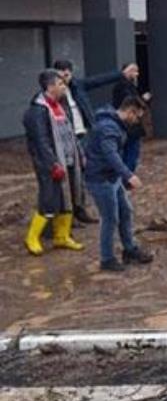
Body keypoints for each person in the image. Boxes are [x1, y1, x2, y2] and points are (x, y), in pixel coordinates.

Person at [84, 96, 153, 272]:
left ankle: (129, 249)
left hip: (111, 177)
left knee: (125, 211)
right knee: (110, 218)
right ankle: (107, 259)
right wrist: (128, 175)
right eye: (137, 117)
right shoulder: (109, 128)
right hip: (101, 179)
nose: (137, 121)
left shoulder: (113, 123)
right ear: (130, 111)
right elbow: (111, 155)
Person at [23, 70, 87, 257]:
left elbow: (71, 134)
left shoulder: (61, 106)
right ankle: (32, 237)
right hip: (50, 165)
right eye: (60, 84)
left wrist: (79, 154)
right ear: (50, 86)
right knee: (49, 200)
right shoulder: (37, 111)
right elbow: (41, 142)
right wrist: (52, 164)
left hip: (68, 160)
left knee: (69, 197)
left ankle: (62, 236)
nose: (64, 87)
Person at [53, 59, 125, 223]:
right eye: (61, 71)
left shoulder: (78, 86)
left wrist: (121, 74)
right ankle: (67, 214)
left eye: (68, 71)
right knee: (70, 176)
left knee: (85, 173)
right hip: (67, 139)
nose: (65, 74)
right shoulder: (54, 94)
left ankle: (80, 209)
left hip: (85, 135)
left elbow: (99, 80)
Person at [111, 63, 151, 174]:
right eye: (134, 71)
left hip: (131, 125)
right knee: (130, 153)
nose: (136, 74)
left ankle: (126, 176)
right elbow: (130, 102)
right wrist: (143, 99)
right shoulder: (122, 86)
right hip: (129, 126)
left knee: (131, 152)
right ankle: (126, 177)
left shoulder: (129, 85)